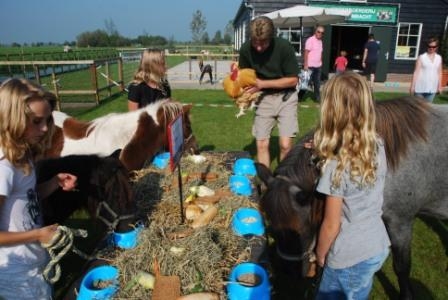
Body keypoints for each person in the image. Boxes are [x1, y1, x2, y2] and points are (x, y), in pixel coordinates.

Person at [313, 72, 391, 299]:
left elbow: (331, 224)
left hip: (348, 256)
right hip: (376, 244)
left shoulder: (335, 165)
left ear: (331, 112)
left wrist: (320, 253)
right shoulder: (377, 145)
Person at [0, 78, 77, 299]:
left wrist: (54, 182)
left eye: (46, 120)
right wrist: (37, 234)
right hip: (17, 275)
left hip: (33, 263)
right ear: (11, 118)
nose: (44, 129)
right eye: (36, 121)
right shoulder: (3, 168)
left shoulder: (21, 154)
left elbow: (27, 198)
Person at [238, 16, 299, 168]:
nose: (258, 47)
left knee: (285, 145)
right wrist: (241, 90)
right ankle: (265, 184)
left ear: (271, 37)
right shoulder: (246, 49)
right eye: (255, 42)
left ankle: (283, 182)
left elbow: (293, 80)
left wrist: (262, 84)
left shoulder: (284, 47)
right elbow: (244, 75)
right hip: (263, 98)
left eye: (263, 43)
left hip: (287, 97)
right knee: (262, 144)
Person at [410, 37, 443, 102]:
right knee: (418, 110)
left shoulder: (439, 58)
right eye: (429, 46)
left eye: (434, 46)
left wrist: (440, 86)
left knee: (428, 110)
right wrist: (412, 86)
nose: (431, 48)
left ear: (436, 47)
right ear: (427, 46)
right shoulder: (421, 57)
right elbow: (416, 72)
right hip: (420, 88)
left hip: (432, 88)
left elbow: (439, 72)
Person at [304, 25, 325, 102]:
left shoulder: (320, 41)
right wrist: (305, 65)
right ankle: (299, 97)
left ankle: (317, 98)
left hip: (318, 66)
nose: (320, 33)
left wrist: (321, 61)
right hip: (310, 66)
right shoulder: (310, 40)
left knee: (317, 83)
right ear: (315, 31)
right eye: (318, 31)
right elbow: (306, 53)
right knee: (305, 83)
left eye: (322, 33)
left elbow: (320, 52)